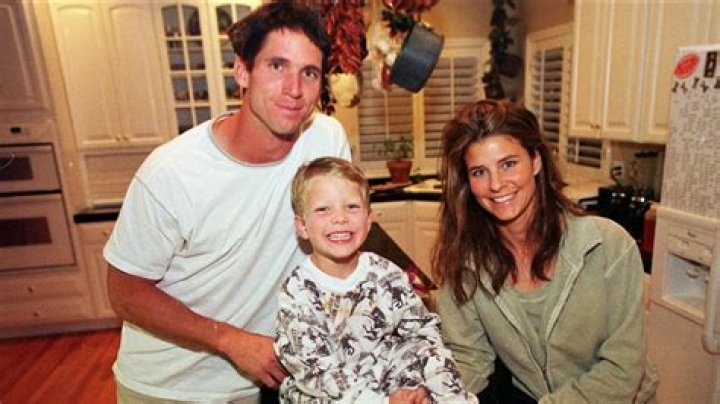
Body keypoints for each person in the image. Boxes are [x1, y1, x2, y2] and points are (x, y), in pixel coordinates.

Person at [104, 3, 351, 402]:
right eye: (277, 66)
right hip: (170, 386)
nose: (294, 89)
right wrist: (231, 341)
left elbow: (335, 244)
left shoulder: (326, 140)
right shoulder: (172, 172)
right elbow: (124, 292)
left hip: (271, 378)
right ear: (242, 71)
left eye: (309, 72)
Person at [432, 100, 658, 403]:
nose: (496, 184)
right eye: (479, 172)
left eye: (508, 164)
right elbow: (469, 358)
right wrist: (431, 395)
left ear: (535, 161)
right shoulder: (466, 262)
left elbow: (621, 370)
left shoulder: (608, 247)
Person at [275, 157, 477, 403]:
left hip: (386, 377)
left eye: (351, 207)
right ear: (302, 226)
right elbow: (316, 371)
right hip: (326, 390)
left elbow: (421, 332)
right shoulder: (297, 292)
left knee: (432, 356)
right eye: (323, 209)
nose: (340, 218)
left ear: (369, 219)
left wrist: (418, 385)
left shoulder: (386, 273)